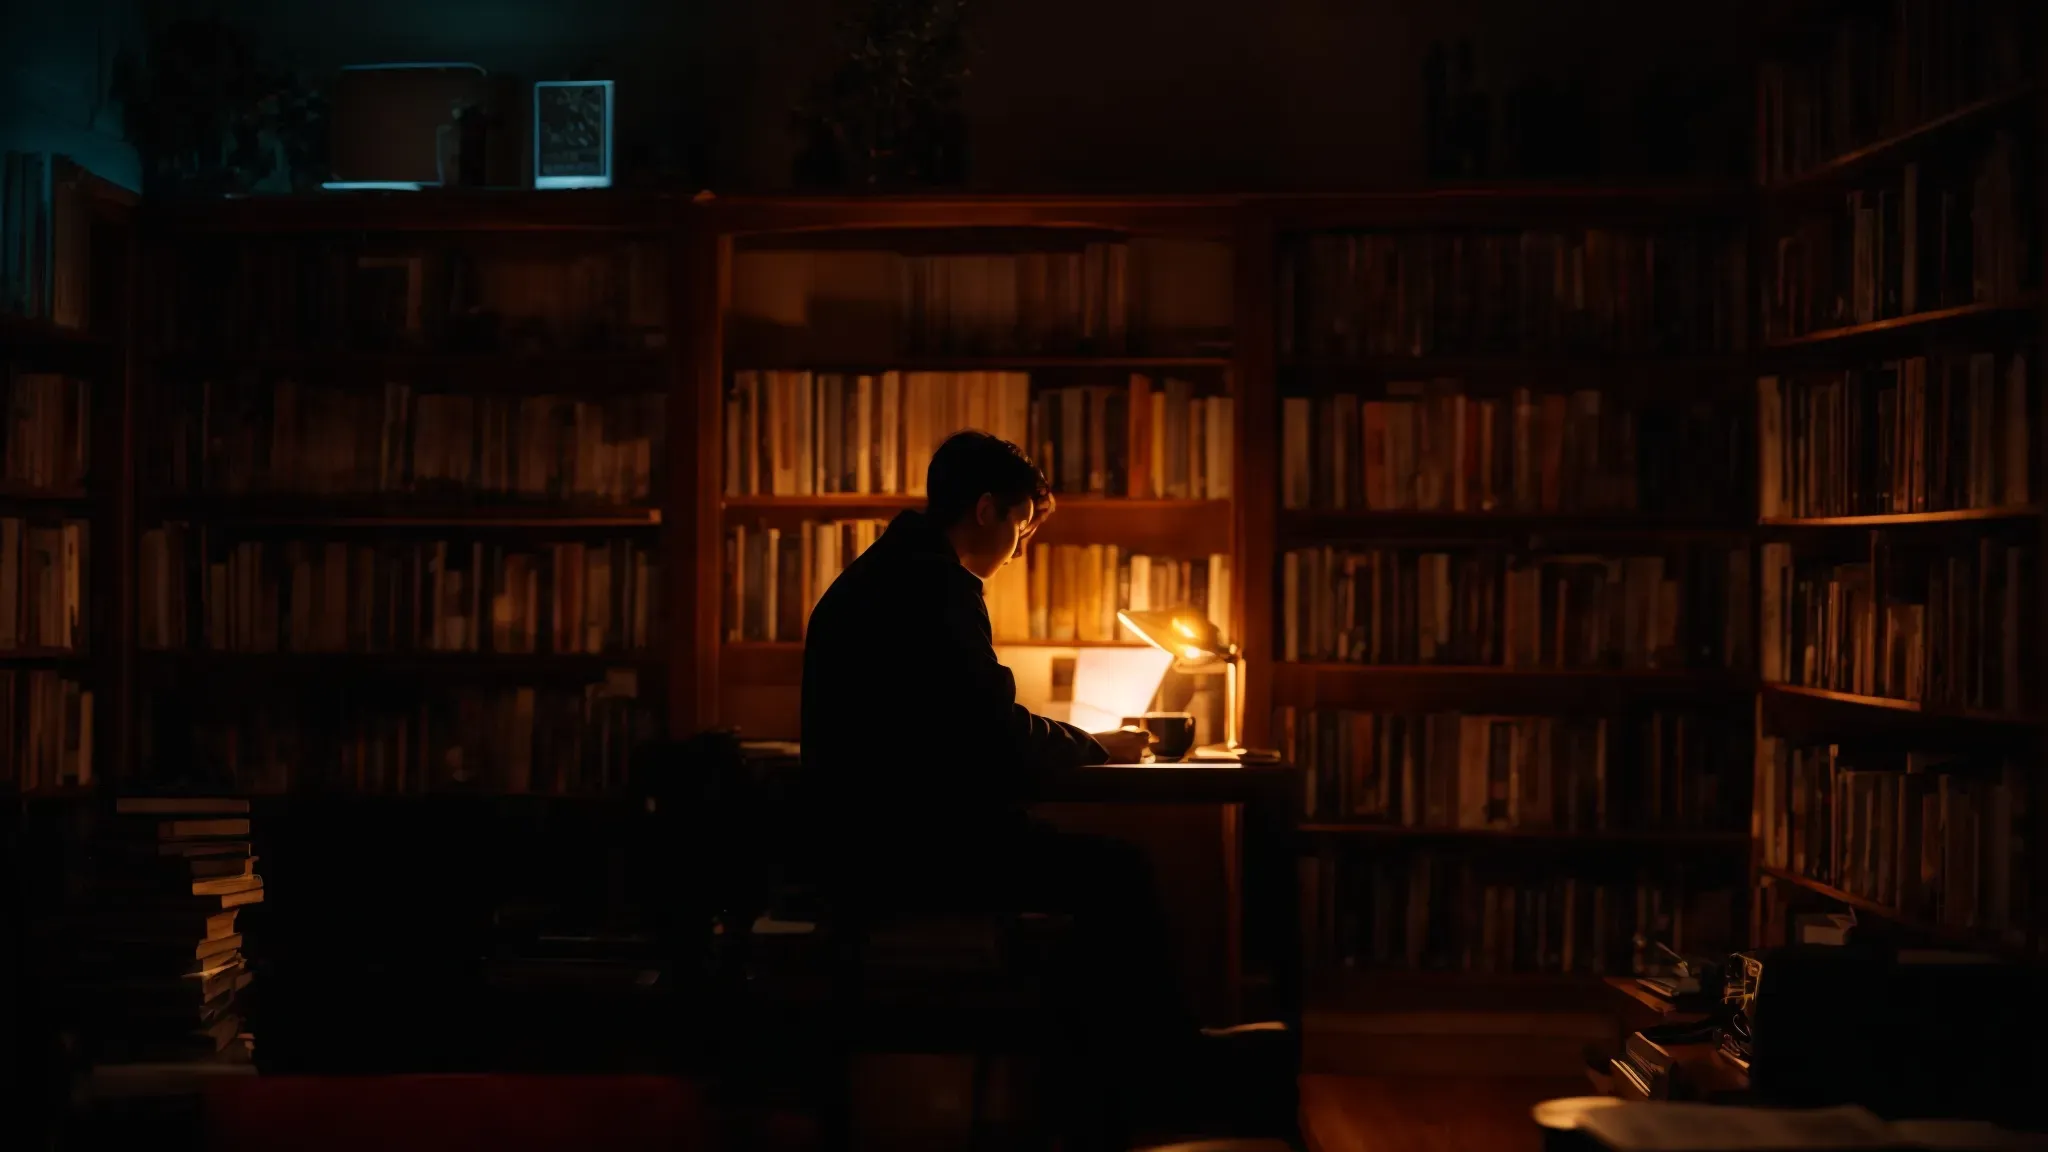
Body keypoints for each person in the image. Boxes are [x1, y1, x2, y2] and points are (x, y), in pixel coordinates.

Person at [800, 430, 1293, 1147]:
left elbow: (970, 723)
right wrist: (1096, 744)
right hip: (914, 848)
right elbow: (992, 735)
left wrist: (1063, 741)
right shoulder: (936, 587)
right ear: (986, 509)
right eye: (1022, 526)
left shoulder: (884, 575)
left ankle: (1124, 1082)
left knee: (1092, 886)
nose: (1021, 547)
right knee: (1117, 875)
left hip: (870, 839)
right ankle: (1167, 1073)